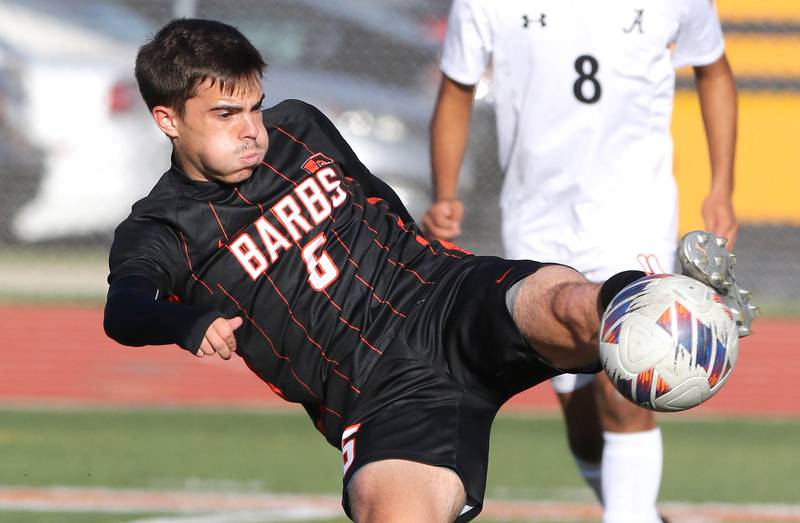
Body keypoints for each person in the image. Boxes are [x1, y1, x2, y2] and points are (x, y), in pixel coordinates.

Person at [104, 18, 748, 523]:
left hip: (441, 299)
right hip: (379, 395)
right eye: (226, 116)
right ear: (167, 119)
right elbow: (124, 307)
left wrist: (437, 253)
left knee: (565, 302)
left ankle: (670, 302)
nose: (253, 130)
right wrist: (183, 321)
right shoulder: (164, 226)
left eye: (254, 107)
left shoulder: (298, 127)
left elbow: (377, 201)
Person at [422, 1, 739, 522]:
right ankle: (637, 512)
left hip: (633, 212)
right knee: (584, 423)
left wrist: (722, 187)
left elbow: (715, 69)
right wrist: (445, 192)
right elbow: (457, 87)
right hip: (536, 220)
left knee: (630, 378)